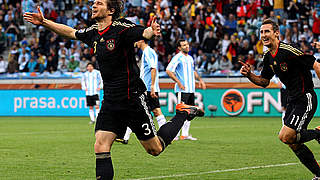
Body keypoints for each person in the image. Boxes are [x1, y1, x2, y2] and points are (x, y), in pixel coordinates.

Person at [24, 1, 204, 179]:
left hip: (132, 98)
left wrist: (151, 31)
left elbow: (142, 32)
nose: (94, 5)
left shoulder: (121, 27)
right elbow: (71, 32)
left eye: (99, 3)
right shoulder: (93, 32)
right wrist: (45, 22)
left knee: (154, 149)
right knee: (100, 145)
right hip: (110, 100)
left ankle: (182, 112)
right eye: (93, 3)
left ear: (110, 10)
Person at [239, 19, 320, 180]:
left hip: (305, 98)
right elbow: (264, 81)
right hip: (292, 101)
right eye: (261, 32)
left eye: (267, 31)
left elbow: (315, 64)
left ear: (277, 33)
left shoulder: (288, 51)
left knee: (286, 136)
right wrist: (249, 75)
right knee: (292, 142)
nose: (263, 35)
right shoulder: (268, 56)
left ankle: (318, 133)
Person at [116, 39, 167, 144]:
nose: (135, 43)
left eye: (136, 41)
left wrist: (152, 86)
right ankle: (125, 137)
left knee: (151, 111)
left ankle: (166, 135)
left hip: (148, 88)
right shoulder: (147, 52)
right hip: (146, 87)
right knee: (139, 110)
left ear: (142, 41)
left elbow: (153, 69)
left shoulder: (148, 52)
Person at [166, 39, 206, 141]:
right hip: (182, 90)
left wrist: (200, 80)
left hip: (191, 89)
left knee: (190, 112)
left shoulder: (190, 58)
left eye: (187, 44)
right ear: (179, 48)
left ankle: (184, 135)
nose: (187, 46)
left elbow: (193, 71)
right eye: (184, 45)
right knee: (181, 113)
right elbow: (168, 70)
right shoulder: (177, 57)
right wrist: (178, 82)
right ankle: (175, 135)